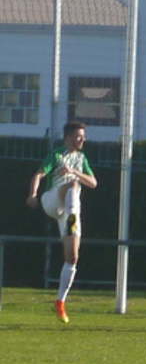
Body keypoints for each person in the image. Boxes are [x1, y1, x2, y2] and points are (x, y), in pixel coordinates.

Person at [26, 121, 98, 323]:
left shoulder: (81, 158)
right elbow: (39, 175)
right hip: (52, 200)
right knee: (71, 186)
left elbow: (93, 183)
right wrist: (32, 195)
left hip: (70, 212)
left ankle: (60, 302)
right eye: (78, 136)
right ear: (68, 137)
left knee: (72, 258)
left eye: (83, 136)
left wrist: (74, 171)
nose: (82, 139)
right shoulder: (57, 155)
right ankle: (71, 217)